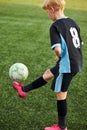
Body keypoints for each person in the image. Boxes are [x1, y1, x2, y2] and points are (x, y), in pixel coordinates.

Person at [12, 0, 83, 130]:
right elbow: (78, 44)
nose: (48, 15)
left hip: (67, 65)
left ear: (51, 9)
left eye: (47, 12)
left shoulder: (55, 26)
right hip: (76, 60)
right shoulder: (73, 22)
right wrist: (63, 56)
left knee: (61, 94)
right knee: (48, 73)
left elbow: (57, 49)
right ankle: (23, 90)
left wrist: (60, 55)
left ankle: (62, 127)